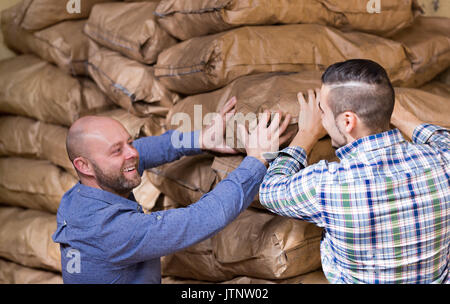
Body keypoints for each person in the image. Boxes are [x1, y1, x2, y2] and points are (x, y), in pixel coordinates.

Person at [52, 97, 291, 283]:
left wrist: (198, 139)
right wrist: (257, 160)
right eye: (117, 150)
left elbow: (142, 152)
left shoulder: (79, 197)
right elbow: (199, 219)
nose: (131, 153)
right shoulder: (112, 231)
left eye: (129, 142)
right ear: (83, 166)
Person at [258, 59, 449, 284]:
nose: (323, 120)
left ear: (348, 121)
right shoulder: (442, 162)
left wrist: (306, 135)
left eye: (323, 111)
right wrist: (397, 115)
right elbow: (444, 141)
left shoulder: (329, 185)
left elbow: (270, 191)